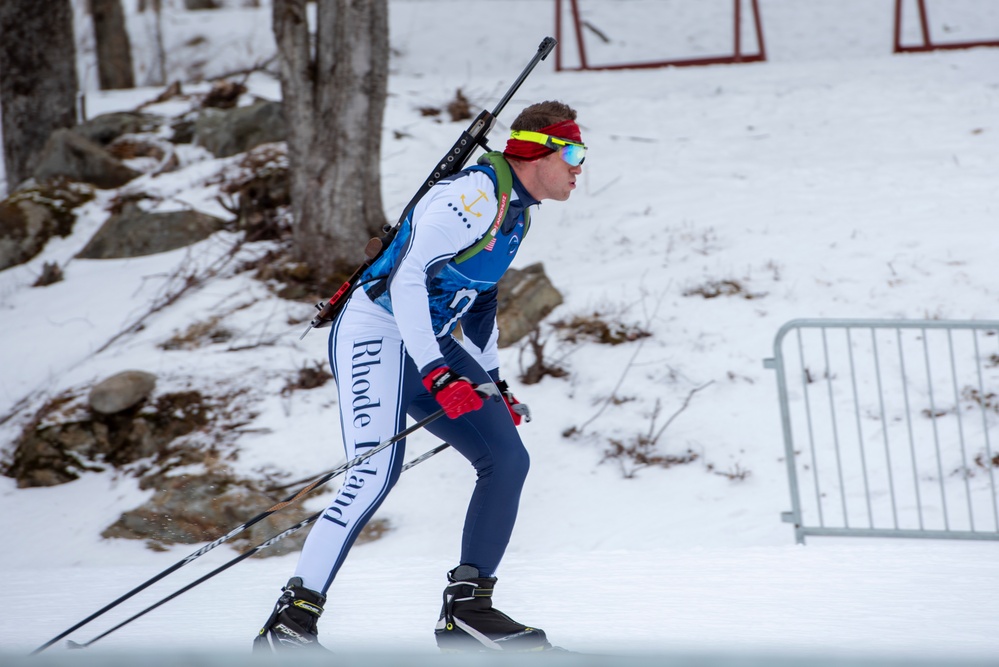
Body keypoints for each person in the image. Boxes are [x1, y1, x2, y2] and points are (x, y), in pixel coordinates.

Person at [254, 100, 585, 653]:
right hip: (376, 328)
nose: (579, 166)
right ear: (536, 152)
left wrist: (493, 385)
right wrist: (438, 374)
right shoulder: (473, 196)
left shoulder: (518, 213)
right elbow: (408, 281)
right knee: (376, 472)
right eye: (572, 152)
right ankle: (292, 622)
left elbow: (480, 308)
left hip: (427, 340)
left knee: (507, 459)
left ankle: (468, 612)